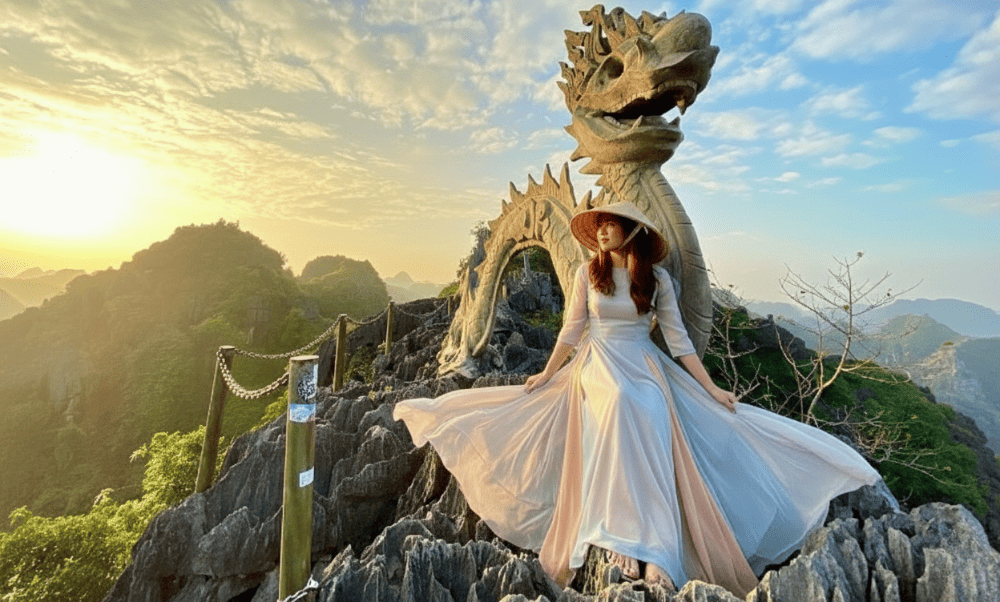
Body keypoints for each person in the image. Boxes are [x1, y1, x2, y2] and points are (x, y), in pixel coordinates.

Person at [393, 201, 881, 597]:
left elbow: (679, 340)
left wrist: (710, 389)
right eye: (599, 225)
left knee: (647, 406)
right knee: (620, 401)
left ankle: (658, 551)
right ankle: (618, 535)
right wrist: (546, 374)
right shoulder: (590, 274)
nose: (602, 231)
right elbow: (573, 328)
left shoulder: (657, 281)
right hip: (597, 363)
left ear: (630, 232)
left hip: (645, 364)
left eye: (611, 225)